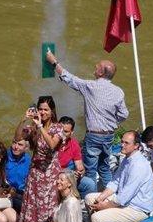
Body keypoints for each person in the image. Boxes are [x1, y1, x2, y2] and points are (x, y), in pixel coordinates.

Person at [45, 50, 128, 191]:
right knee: (104, 167)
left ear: (101, 73)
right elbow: (124, 114)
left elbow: (69, 78)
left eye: (97, 66)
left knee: (90, 170)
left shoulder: (91, 87)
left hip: (94, 136)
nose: (95, 67)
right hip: (109, 135)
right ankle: (110, 195)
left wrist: (53, 61)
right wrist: (112, 122)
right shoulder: (118, 91)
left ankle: (92, 199)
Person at [16, 96, 66, 222]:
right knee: (33, 206)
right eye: (40, 109)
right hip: (35, 173)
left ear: (52, 111)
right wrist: (24, 120)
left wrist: (40, 127)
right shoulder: (33, 126)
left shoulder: (58, 128)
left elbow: (52, 144)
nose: (42, 112)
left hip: (50, 174)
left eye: (46, 110)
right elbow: (18, 137)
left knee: (49, 207)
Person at [84, 131, 153, 222]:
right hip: (124, 201)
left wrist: (105, 206)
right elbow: (115, 182)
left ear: (136, 146)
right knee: (89, 198)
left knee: (96, 218)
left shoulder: (138, 166)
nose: (122, 145)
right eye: (122, 141)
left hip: (137, 209)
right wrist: (101, 197)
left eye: (126, 143)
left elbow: (125, 197)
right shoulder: (126, 159)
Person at [57, 116, 97, 198]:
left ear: (71, 132)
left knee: (90, 184)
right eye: (60, 131)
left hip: (69, 177)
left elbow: (80, 166)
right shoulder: (51, 142)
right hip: (55, 178)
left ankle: (83, 205)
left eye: (66, 132)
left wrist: (79, 172)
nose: (62, 134)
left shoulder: (74, 143)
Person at [5, 135, 31, 213]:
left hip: (20, 193)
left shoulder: (29, 160)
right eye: (14, 143)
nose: (16, 147)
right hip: (6, 191)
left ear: (26, 148)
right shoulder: (4, 156)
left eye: (20, 145)